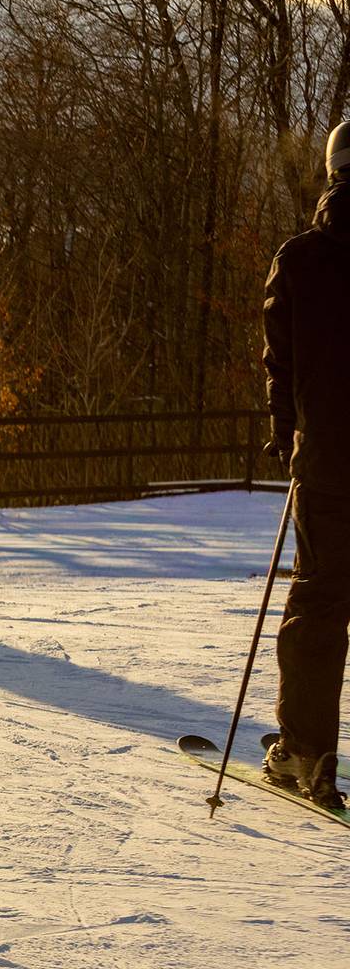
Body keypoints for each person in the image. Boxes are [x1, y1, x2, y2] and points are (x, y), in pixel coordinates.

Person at [261, 121, 350, 812]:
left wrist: (283, 433)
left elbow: (279, 364)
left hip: (328, 462)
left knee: (320, 601)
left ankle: (307, 750)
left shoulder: (300, 259)